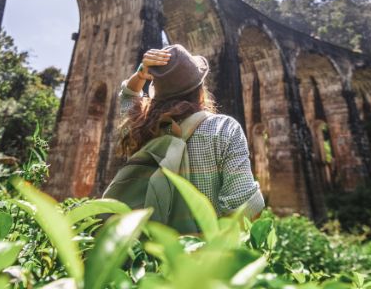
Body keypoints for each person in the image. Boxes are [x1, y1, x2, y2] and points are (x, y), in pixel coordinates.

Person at [105, 44, 265, 228]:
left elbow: (127, 97)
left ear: (157, 94)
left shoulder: (140, 129)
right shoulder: (224, 129)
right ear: (200, 90)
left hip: (148, 251)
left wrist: (141, 74)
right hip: (202, 254)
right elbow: (245, 211)